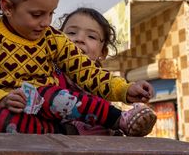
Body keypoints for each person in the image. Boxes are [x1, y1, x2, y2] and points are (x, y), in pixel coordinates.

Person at [0, 0, 156, 135]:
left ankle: (118, 120)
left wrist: (125, 90)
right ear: (8, 8)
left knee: (54, 95)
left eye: (51, 13)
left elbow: (89, 74)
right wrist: (1, 98)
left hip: (50, 105)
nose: (46, 22)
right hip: (10, 110)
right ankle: (66, 132)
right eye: (37, 15)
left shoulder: (53, 38)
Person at [59, 7, 157, 135]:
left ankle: (121, 121)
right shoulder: (49, 70)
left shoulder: (100, 80)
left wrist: (128, 89)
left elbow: (111, 85)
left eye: (91, 36)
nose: (79, 39)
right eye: (72, 33)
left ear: (103, 52)